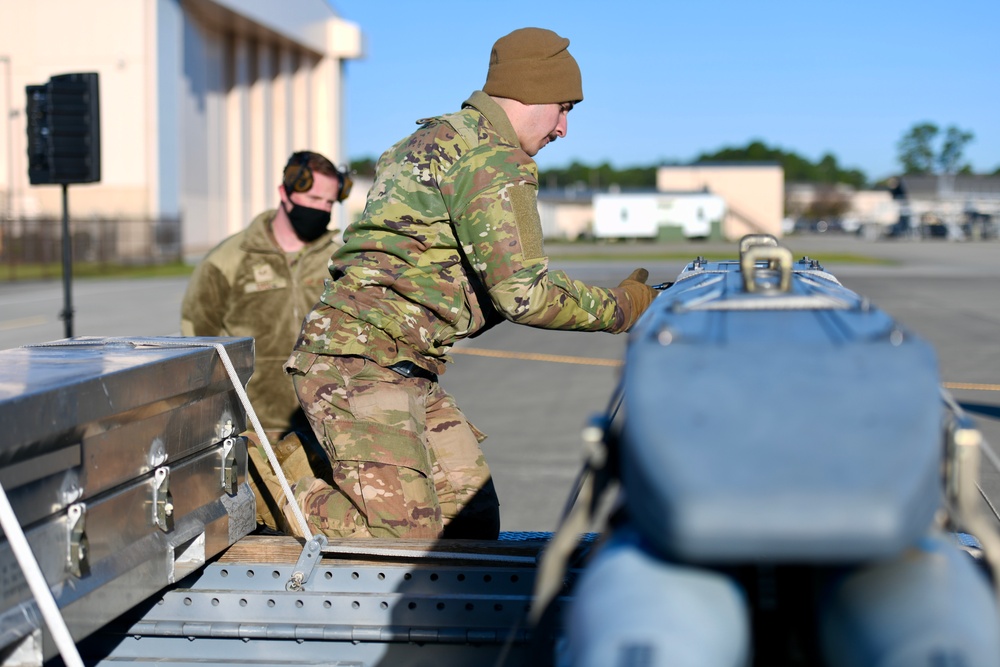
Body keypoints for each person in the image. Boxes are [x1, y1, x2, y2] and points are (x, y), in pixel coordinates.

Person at [283, 27, 659, 540]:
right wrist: (623, 308)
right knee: (406, 544)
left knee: (471, 529)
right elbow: (523, 295)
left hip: (406, 364)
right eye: (564, 108)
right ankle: (284, 485)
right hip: (359, 363)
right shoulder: (494, 161)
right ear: (534, 91)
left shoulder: (433, 138)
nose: (564, 129)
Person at [181, 150, 351, 531]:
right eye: (312, 200)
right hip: (253, 434)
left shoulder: (341, 258)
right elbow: (197, 340)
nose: (322, 210)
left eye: (328, 202)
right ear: (285, 192)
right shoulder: (229, 260)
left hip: (328, 432)